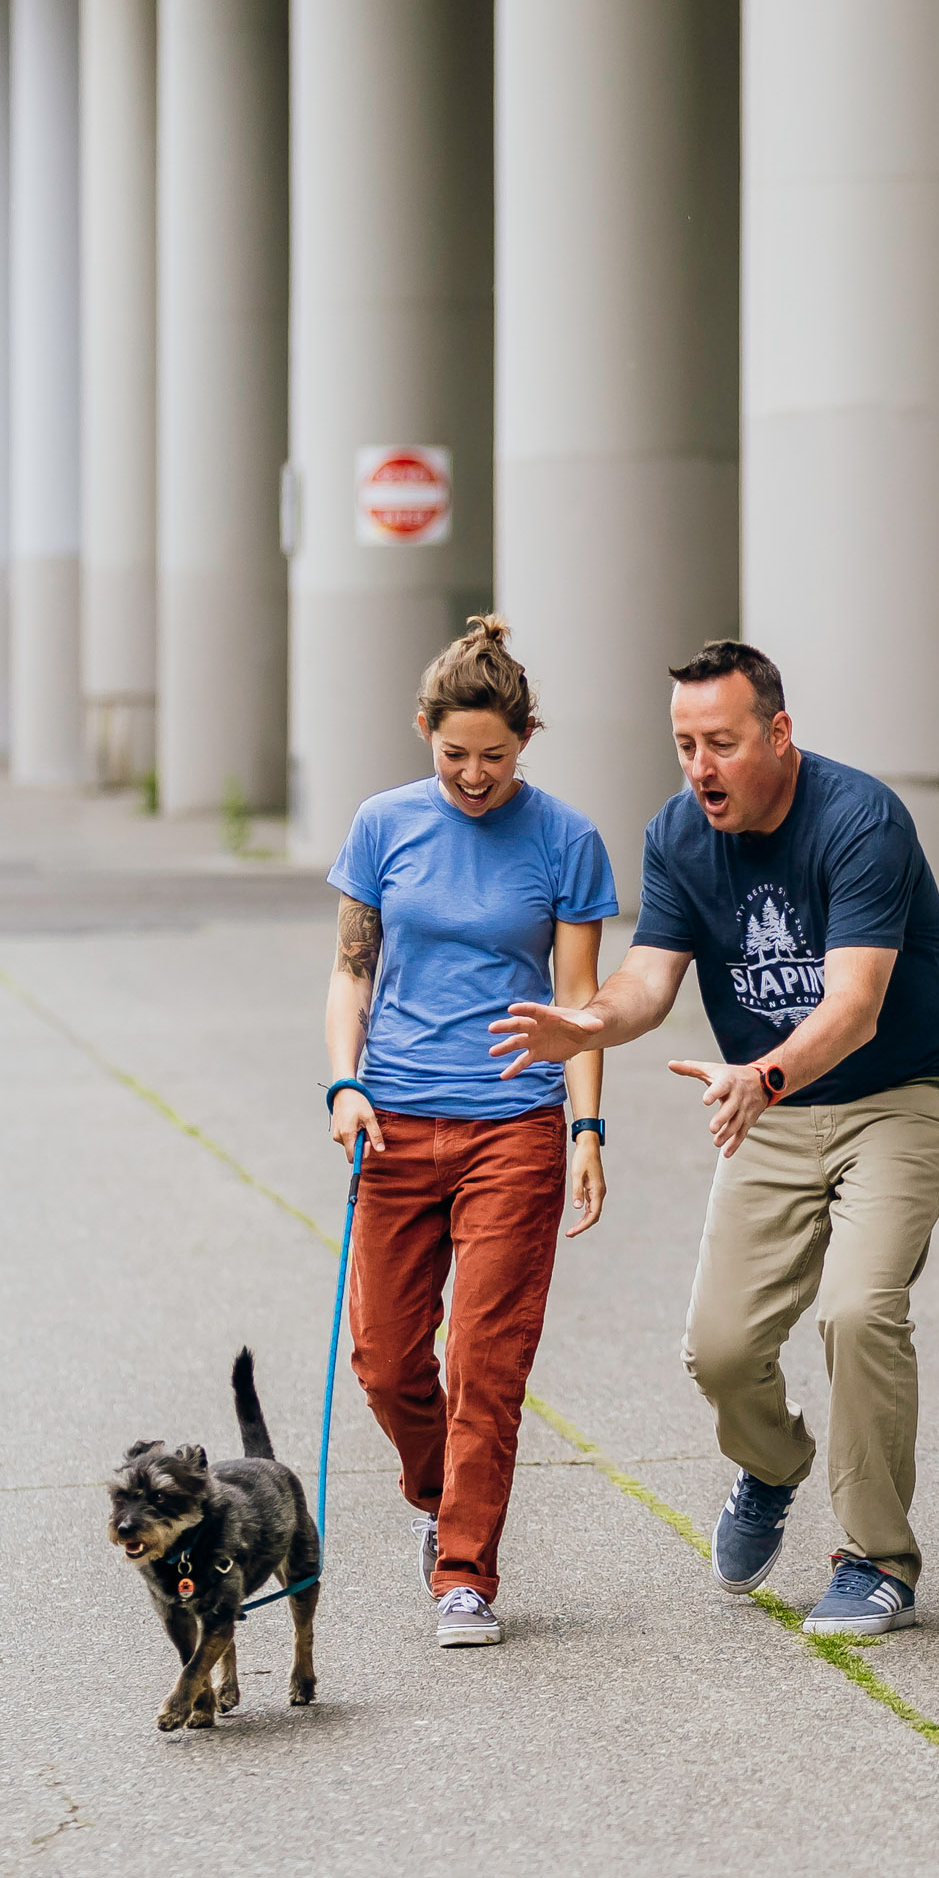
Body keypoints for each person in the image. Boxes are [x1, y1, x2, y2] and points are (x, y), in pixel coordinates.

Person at [490, 639, 939, 1637]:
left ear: (777, 733)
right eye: (683, 744)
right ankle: (768, 1462)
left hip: (902, 1092)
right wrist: (586, 1021)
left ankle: (875, 1556)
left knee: (856, 1309)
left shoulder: (858, 820)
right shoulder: (677, 834)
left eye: (719, 742)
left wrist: (760, 1074)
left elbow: (853, 1004)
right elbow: (649, 978)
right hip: (770, 1107)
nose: (699, 767)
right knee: (719, 1352)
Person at [324, 616, 618, 1649]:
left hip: (513, 1128)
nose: (474, 775)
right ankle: (439, 1496)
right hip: (394, 1121)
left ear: (527, 738)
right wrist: (341, 1084)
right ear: (422, 731)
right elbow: (352, 967)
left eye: (495, 755)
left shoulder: (566, 840)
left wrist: (585, 1126)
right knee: (385, 1360)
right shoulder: (381, 824)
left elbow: (579, 1001)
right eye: (454, 754)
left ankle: (464, 1571)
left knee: (486, 1362)